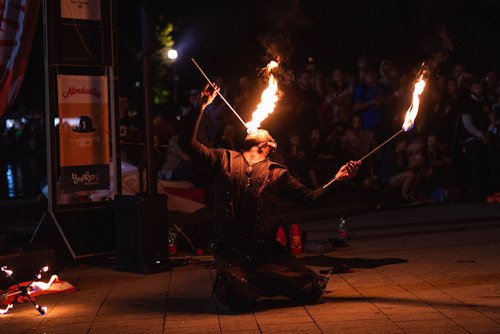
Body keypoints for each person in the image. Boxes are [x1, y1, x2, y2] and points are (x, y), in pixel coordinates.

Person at [179, 85, 360, 312]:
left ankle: (252, 277)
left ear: (270, 144)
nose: (256, 126)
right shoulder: (223, 158)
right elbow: (186, 143)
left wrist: (337, 179)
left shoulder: (277, 174)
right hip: (230, 249)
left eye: (263, 129)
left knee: (311, 287)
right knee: (238, 298)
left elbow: (312, 199)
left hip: (263, 250)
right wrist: (200, 106)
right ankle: (244, 279)